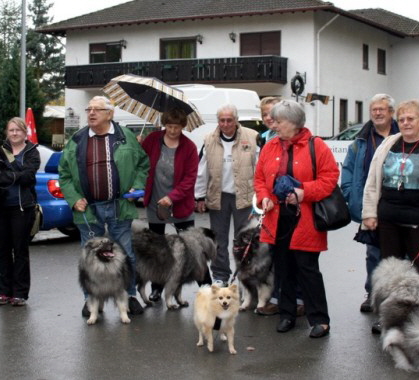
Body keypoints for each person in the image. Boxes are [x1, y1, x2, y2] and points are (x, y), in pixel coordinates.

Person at [58, 95, 149, 317]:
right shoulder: (77, 140)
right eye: (89, 109)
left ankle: (129, 296)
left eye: (97, 109)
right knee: (90, 256)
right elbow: (64, 174)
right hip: (88, 209)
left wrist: (136, 186)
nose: (91, 113)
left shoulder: (126, 137)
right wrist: (73, 198)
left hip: (119, 206)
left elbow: (143, 165)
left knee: (126, 253)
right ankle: (91, 300)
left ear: (110, 114)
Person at [254, 99, 337, 338]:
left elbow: (330, 178)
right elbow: (259, 178)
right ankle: (287, 314)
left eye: (279, 121)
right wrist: (264, 198)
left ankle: (320, 319)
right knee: (283, 270)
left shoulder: (317, 146)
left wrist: (304, 192)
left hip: (306, 218)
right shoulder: (270, 147)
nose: (274, 124)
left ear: (294, 123)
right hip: (277, 218)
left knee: (308, 270)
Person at [362, 100, 419, 301]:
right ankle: (390, 315)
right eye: (401, 119)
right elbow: (373, 181)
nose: (405, 123)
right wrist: (369, 212)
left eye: (410, 118)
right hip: (388, 219)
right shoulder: (388, 144)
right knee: (391, 272)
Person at [341, 94, 399, 313]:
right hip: (370, 204)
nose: (377, 113)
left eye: (382, 109)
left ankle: (395, 294)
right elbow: (347, 169)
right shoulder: (361, 140)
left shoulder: (402, 135)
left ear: (391, 112)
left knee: (398, 252)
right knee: (373, 251)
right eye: (374, 109)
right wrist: (349, 193)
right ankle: (373, 293)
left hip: (396, 202)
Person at [140, 108, 206, 301]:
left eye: (176, 127)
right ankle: (157, 288)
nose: (172, 130)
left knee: (191, 248)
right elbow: (141, 163)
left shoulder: (189, 147)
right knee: (158, 249)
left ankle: (205, 287)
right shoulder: (152, 140)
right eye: (169, 126)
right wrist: (137, 147)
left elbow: (190, 178)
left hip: (180, 204)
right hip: (155, 203)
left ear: (183, 127)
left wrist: (172, 197)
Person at [0, 118, 40, 307]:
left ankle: (20, 293)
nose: (14, 133)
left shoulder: (31, 151)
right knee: (3, 251)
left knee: (20, 251)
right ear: (6, 132)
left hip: (21, 208)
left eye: (18, 130)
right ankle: (4, 291)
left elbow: (28, 176)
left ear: (24, 132)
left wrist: (4, 175)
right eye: (11, 130)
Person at [195, 104, 259, 285]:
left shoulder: (252, 137)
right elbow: (202, 171)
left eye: (229, 120)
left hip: (245, 196)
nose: (225, 124)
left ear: (236, 120)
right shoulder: (208, 140)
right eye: (222, 120)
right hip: (219, 196)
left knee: (245, 240)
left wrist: (260, 196)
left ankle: (246, 276)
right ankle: (220, 276)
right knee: (218, 240)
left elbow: (260, 167)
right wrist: (199, 196)